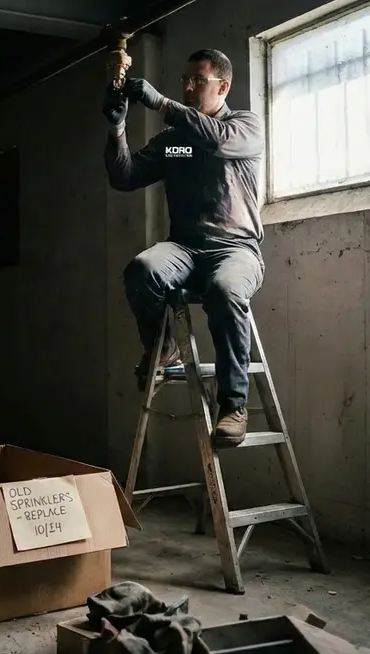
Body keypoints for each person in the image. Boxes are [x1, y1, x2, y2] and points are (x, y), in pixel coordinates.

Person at [103, 48, 264, 444]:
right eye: (184, 81)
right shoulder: (176, 145)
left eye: (198, 81)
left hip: (236, 250)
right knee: (143, 269)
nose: (188, 88)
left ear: (223, 87)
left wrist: (161, 102)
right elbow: (126, 176)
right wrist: (117, 130)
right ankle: (164, 348)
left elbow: (215, 141)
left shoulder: (242, 128)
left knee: (226, 290)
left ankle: (233, 405)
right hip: (186, 250)